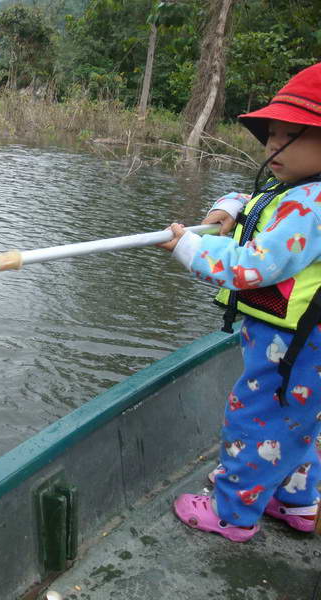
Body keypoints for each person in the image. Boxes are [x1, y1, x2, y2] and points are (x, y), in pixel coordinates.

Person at [159, 62, 321, 542]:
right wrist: (226, 209)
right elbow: (255, 202)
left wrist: (188, 246)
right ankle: (297, 501)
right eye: (272, 134)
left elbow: (254, 266)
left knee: (254, 418)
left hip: (293, 346)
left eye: (293, 135)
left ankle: (231, 513)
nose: (275, 146)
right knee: (295, 422)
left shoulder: (311, 207)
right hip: (297, 343)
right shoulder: (297, 188)